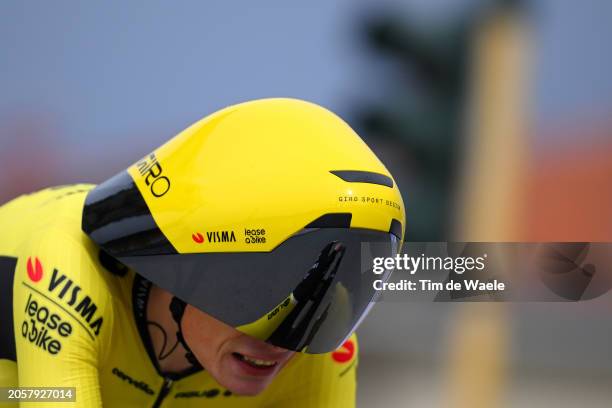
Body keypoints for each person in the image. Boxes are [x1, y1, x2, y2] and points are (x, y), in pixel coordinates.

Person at [0, 98, 405, 407]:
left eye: (326, 304)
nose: (285, 342)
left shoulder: (316, 348)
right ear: (181, 267)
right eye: (264, 294)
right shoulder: (71, 266)